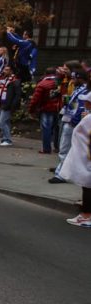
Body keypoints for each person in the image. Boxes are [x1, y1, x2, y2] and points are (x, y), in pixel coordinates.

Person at [59, 91, 91, 227]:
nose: (85, 103)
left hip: (87, 160)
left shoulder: (88, 119)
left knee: (88, 187)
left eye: (87, 101)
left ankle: (86, 216)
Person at [51, 69, 88, 183]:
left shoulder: (84, 91)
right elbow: (75, 104)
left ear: (80, 78)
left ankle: (61, 174)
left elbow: (81, 107)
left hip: (72, 121)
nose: (72, 80)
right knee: (68, 148)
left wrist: (74, 121)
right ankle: (62, 170)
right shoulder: (79, 89)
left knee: (64, 148)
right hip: (70, 119)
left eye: (74, 78)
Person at [29, 67, 64, 154]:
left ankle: (46, 148)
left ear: (45, 74)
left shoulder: (43, 84)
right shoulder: (61, 83)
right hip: (59, 108)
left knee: (46, 129)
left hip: (46, 109)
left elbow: (35, 99)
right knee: (58, 128)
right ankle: (57, 147)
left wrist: (31, 110)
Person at [0, 65, 21, 147]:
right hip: (2, 103)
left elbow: (17, 95)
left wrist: (13, 105)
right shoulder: (5, 80)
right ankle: (4, 138)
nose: (4, 71)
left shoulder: (14, 81)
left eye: (7, 70)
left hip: (7, 104)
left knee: (2, 122)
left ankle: (8, 139)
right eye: (4, 69)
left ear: (11, 71)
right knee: (5, 122)